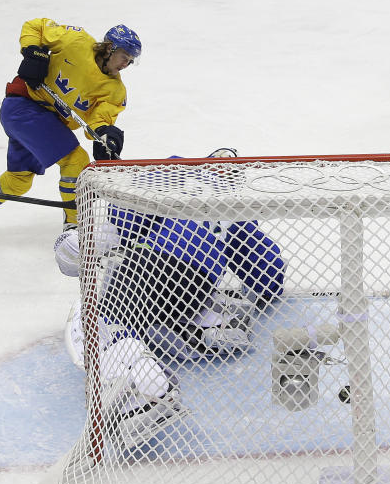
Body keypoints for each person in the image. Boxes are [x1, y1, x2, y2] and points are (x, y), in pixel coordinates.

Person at [53, 149, 287, 449]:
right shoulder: (237, 210)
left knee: (98, 320)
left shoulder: (176, 173)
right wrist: (267, 284)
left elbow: (123, 220)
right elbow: (269, 278)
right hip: (196, 285)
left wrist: (79, 243)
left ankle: (145, 393)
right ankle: (198, 328)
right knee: (150, 310)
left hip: (150, 262)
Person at [0, 18, 141, 230]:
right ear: (110, 48)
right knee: (76, 160)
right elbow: (35, 26)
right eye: (124, 57)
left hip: (42, 123)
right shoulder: (76, 41)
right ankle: (73, 228)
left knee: (18, 181)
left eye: (130, 61)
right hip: (23, 105)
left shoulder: (115, 91)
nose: (125, 64)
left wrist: (105, 135)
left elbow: (98, 122)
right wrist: (32, 51)